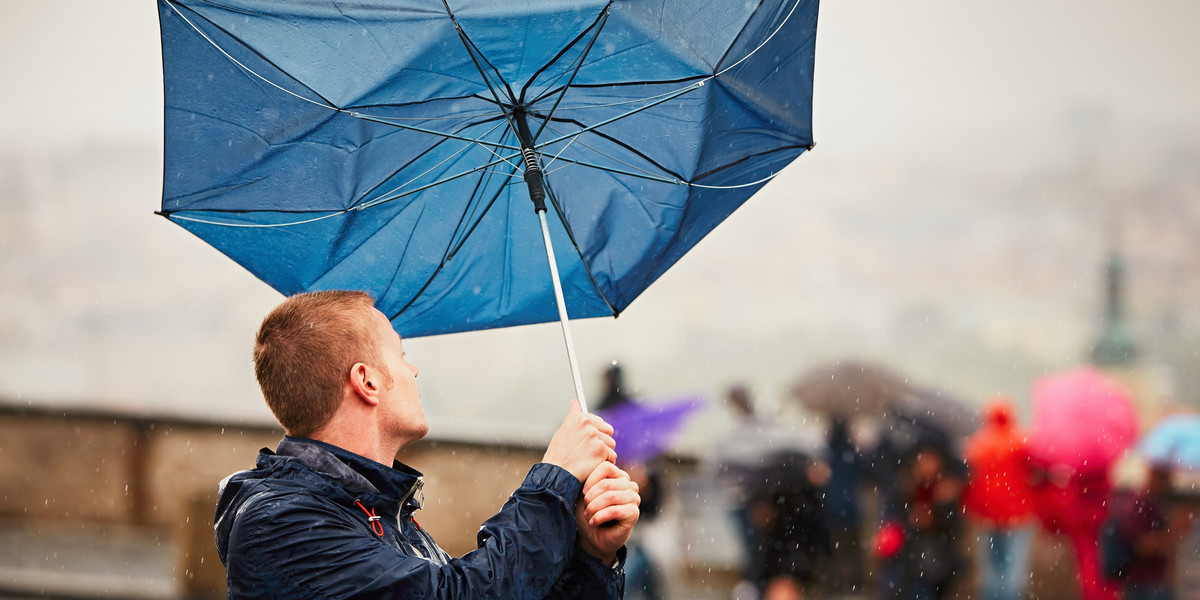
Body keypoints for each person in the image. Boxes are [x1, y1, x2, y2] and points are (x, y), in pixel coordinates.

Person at [214, 290, 640, 599]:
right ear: (367, 381)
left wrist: (590, 554)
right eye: (401, 355)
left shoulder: (376, 512)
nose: (413, 370)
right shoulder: (281, 522)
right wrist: (556, 478)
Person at [961, 397, 1035, 600]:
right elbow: (1036, 472)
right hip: (1018, 515)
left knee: (989, 570)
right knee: (1013, 569)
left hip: (986, 515)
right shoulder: (1022, 442)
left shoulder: (978, 444)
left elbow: (968, 479)